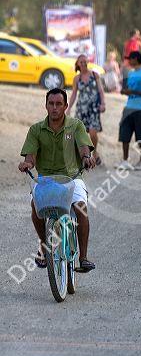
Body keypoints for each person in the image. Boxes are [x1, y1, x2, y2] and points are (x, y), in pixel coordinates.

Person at [18, 88, 96, 272]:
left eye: (59, 104)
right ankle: (44, 247)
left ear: (66, 106)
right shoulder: (36, 129)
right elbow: (31, 156)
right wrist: (27, 164)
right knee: (35, 206)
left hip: (72, 177)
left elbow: (84, 148)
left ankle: (83, 258)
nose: (54, 108)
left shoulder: (76, 125)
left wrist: (86, 157)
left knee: (81, 208)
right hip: (46, 179)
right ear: (46, 106)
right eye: (51, 104)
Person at [116, 51, 141, 171]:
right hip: (128, 107)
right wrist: (124, 91)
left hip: (140, 108)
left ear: (136, 59)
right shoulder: (130, 73)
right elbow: (128, 90)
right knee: (124, 133)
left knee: (140, 135)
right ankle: (125, 160)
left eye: (130, 59)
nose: (128, 61)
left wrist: (133, 92)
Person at [67, 54, 105, 165]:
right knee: (80, 134)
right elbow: (74, 94)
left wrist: (103, 103)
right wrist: (69, 107)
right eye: (81, 62)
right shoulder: (76, 78)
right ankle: (84, 156)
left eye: (85, 61)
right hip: (81, 109)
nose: (83, 63)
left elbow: (101, 91)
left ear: (87, 62)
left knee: (93, 133)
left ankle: (95, 152)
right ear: (78, 64)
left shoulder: (95, 74)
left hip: (94, 109)